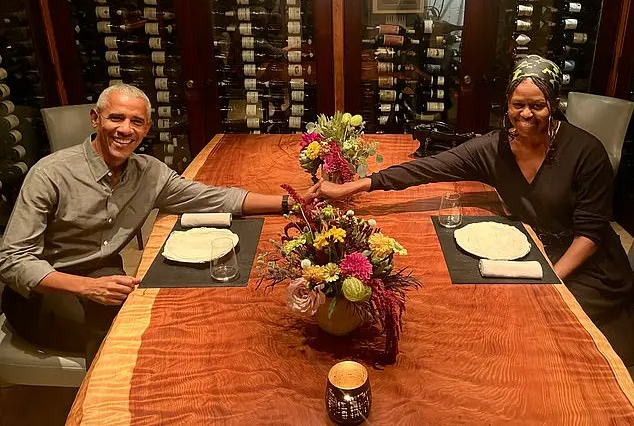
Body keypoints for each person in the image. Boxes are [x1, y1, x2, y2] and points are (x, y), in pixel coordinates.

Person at [316, 55, 634, 371]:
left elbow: (590, 234)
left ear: (554, 104)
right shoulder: (494, 148)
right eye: (517, 105)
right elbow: (427, 168)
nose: (526, 114)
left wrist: (550, 283)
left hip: (587, 270)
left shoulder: (586, 152)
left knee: (544, 341)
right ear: (507, 103)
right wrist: (352, 187)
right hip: (533, 255)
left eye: (537, 106)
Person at [0, 84, 317, 366]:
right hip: (43, 294)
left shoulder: (148, 172)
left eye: (136, 121)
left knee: (169, 323)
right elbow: (11, 260)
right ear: (95, 118)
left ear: (147, 127)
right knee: (125, 342)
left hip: (103, 280)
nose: (125, 129)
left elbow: (214, 198)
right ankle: (102, 406)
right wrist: (86, 287)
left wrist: (293, 202)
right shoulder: (50, 174)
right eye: (116, 118)